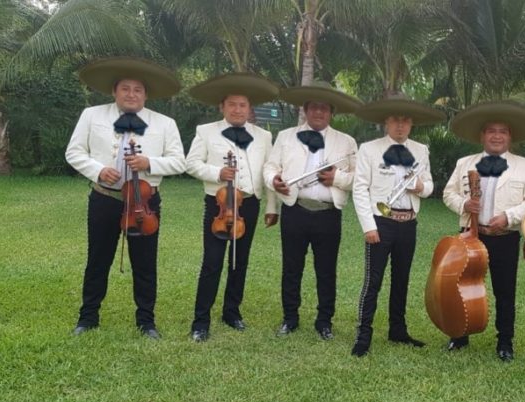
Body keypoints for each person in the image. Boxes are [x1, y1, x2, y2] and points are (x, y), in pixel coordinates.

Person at [66, 57, 185, 339]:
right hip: (105, 198)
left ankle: (146, 321)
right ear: (114, 91)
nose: (131, 94)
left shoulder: (165, 123)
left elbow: (179, 162)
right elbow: (74, 152)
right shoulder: (91, 115)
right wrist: (97, 170)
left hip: (145, 202)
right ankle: (88, 317)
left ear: (146, 94)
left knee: (145, 263)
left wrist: (149, 163)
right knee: (98, 259)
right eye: (125, 89)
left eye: (138, 90)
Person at [442, 101, 525, 361]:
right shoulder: (464, 162)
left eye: (502, 131)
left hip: (503, 237)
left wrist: (509, 216)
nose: (496, 136)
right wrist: (464, 203)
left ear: (510, 136)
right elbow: (448, 193)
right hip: (470, 235)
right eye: (491, 130)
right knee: (461, 285)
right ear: (482, 136)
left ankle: (505, 341)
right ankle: (460, 334)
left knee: (504, 290)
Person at [185, 73, 280, 342]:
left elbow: (267, 173)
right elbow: (191, 164)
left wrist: (272, 207)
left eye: (243, 105)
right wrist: (217, 172)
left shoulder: (263, 136)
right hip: (219, 203)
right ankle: (200, 320)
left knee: (240, 260)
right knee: (212, 262)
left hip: (249, 203)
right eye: (232, 105)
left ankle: (231, 312)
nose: (238, 110)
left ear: (249, 109)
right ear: (222, 107)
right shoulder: (206, 131)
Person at [263, 82, 361, 340]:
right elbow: (270, 167)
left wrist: (337, 179)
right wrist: (274, 180)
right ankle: (290, 318)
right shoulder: (285, 136)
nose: (319, 112)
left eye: (325, 108)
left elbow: (360, 179)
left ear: (331, 113)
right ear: (306, 110)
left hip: (328, 214)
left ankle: (324, 321)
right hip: (295, 209)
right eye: (314, 107)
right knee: (291, 267)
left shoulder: (346, 142)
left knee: (327, 270)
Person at [350, 96, 446, 357]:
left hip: (408, 222)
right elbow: (359, 188)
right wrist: (369, 226)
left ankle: (398, 330)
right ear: (386, 122)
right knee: (373, 280)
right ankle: (364, 333)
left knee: (401, 279)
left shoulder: (421, 149)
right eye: (395, 120)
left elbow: (429, 186)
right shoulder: (369, 149)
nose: (400, 126)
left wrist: (420, 187)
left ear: (411, 123)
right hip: (380, 221)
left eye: (405, 121)